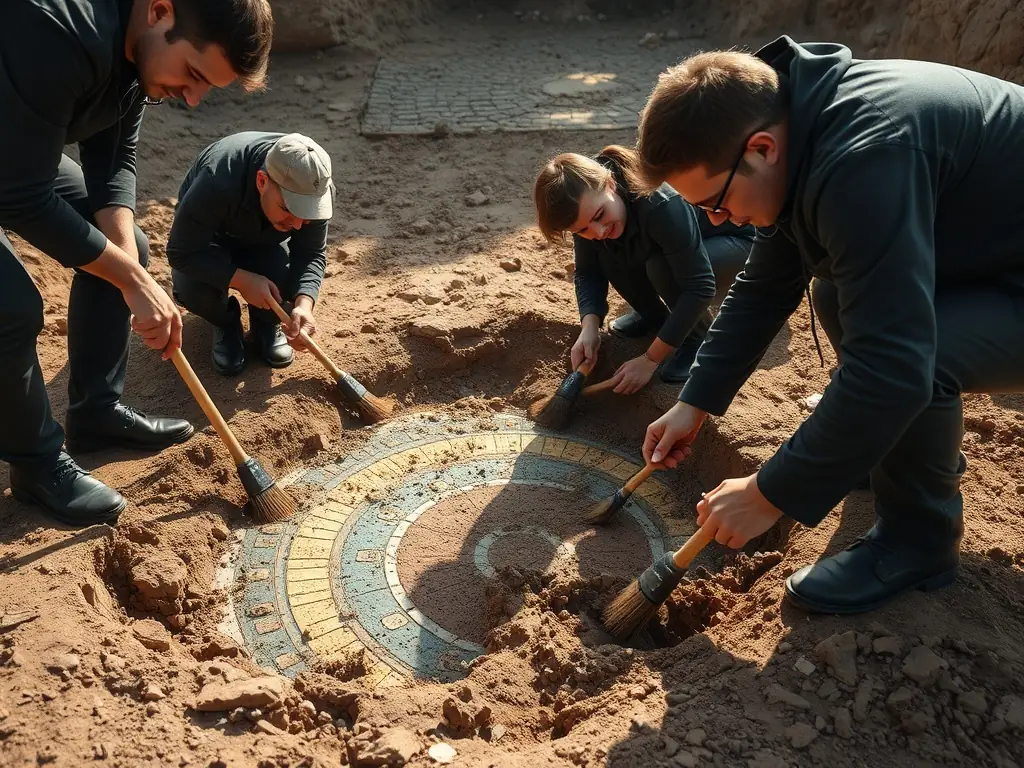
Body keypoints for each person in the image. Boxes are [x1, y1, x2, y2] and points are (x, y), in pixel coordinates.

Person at [633, 35, 1024, 615]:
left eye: (715, 201)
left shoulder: (863, 155)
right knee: (838, 292)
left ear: (761, 148)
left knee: (921, 355)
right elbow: (766, 282)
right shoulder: (802, 123)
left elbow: (893, 367)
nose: (720, 220)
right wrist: (696, 400)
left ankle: (916, 545)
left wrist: (770, 493)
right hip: (998, 250)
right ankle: (882, 448)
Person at [0, 0, 274, 528]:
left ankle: (96, 415)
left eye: (205, 88)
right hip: (14, 172)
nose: (192, 99)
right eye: (193, 75)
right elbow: (21, 198)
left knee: (132, 250)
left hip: (14, 151)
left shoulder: (138, 49)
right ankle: (36, 465)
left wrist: (132, 269)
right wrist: (130, 279)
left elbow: (114, 159)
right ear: (160, 12)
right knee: (10, 307)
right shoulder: (60, 30)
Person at [533, 146, 754, 393]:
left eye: (600, 215)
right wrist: (589, 327)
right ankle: (653, 317)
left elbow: (700, 286)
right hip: (682, 247)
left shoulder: (658, 201)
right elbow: (588, 271)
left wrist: (650, 359)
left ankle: (698, 339)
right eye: (582, 230)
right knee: (608, 251)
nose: (597, 230)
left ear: (610, 185)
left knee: (661, 266)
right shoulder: (587, 207)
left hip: (738, 243)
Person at [167, 132, 333, 375]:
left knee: (286, 281)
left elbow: (310, 252)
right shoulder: (218, 180)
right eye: (288, 209)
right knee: (194, 291)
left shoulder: (315, 187)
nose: (298, 224)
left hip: (262, 245)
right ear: (262, 181)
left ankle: (266, 322)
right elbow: (181, 251)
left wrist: (303, 305)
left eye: (306, 213)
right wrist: (242, 280)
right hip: (210, 244)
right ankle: (226, 323)